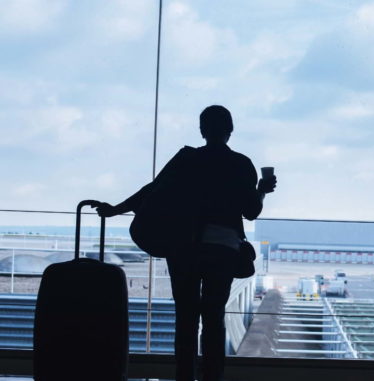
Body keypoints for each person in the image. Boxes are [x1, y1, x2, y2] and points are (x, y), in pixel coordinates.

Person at [97, 105, 276, 381]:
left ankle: (184, 376)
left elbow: (152, 190)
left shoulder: (186, 159)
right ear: (230, 130)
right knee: (214, 319)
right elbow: (251, 211)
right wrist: (261, 191)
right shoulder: (241, 164)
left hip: (184, 246)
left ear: (202, 130)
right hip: (223, 248)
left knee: (186, 320)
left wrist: (115, 210)